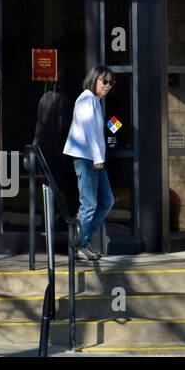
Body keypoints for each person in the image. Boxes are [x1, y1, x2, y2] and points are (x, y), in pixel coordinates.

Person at [63, 65, 115, 261]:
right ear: (94, 80)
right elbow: (88, 130)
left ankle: (81, 240)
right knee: (89, 204)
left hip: (93, 159)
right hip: (87, 159)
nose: (108, 86)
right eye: (105, 81)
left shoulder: (94, 100)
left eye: (111, 82)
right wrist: (98, 157)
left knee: (107, 201)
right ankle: (78, 245)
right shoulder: (86, 99)